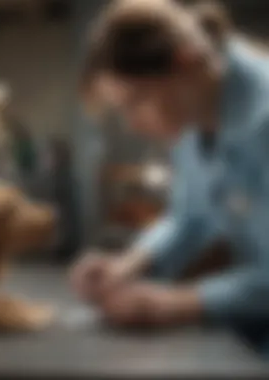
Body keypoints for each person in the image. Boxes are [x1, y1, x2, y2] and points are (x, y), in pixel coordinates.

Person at [70, 0, 269, 351]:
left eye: (136, 100)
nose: (131, 124)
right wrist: (127, 266)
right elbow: (190, 217)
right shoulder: (193, 116)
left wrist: (174, 303)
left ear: (185, 61)